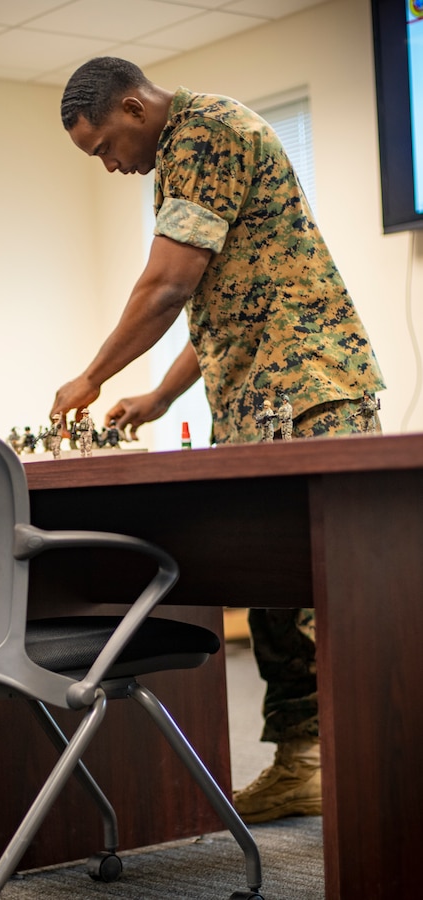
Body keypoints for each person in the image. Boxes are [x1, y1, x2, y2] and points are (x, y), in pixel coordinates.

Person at [51, 57, 385, 823]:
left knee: (340, 595)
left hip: (308, 388)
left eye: (104, 146)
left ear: (135, 108)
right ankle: (305, 760)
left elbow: (166, 285)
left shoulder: (205, 132)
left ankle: (381, 758)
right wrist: (158, 396)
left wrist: (91, 376)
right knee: (274, 593)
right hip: (261, 394)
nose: (109, 165)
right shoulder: (184, 154)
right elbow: (226, 293)